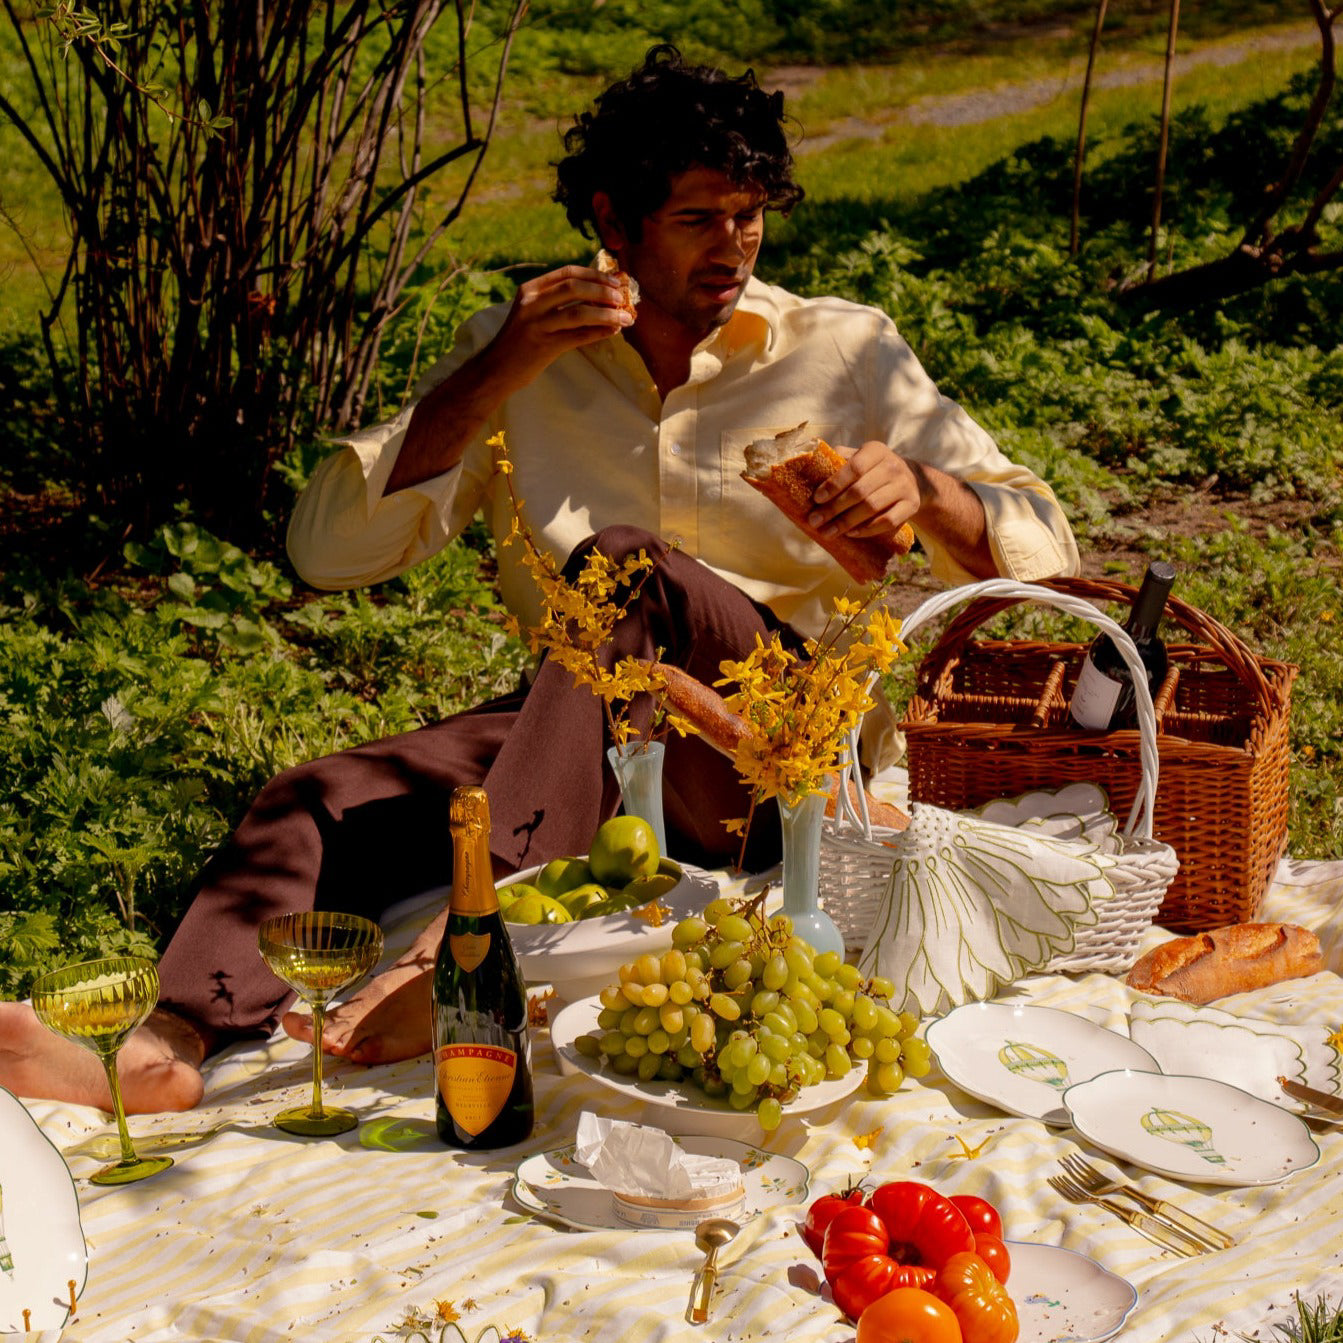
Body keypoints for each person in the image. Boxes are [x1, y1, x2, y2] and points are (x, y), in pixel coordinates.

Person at [0, 45, 1078, 1115]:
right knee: (315, 799)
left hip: (775, 758)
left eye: (749, 214)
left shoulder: (843, 348)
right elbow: (324, 553)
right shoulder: (520, 353)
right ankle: (170, 1039)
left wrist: (929, 491)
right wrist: (488, 377)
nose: (734, 246)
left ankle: (467, 951)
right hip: (580, 731)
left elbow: (1051, 554)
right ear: (613, 223)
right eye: (697, 219)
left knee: (624, 566)